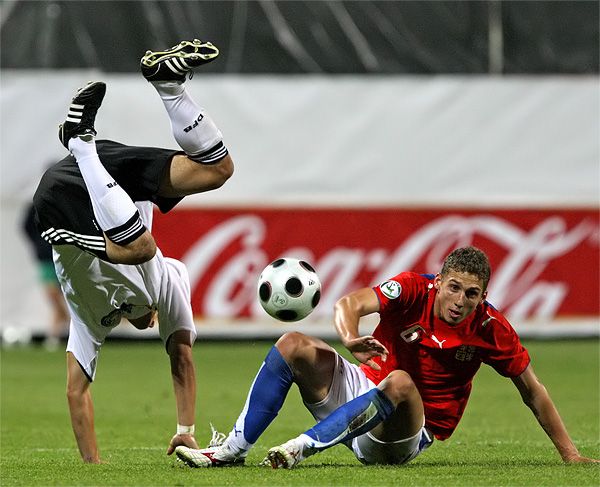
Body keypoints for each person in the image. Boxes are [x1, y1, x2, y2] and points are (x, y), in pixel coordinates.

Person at [174, 246, 599, 468]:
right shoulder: (413, 287)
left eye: (472, 294)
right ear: (439, 282)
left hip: (407, 430)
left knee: (399, 383)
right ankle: (230, 451)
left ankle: (299, 448)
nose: (460, 300)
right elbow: (348, 304)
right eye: (453, 287)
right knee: (293, 344)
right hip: (363, 389)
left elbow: (533, 391)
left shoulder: (491, 328)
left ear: (483, 296)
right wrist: (350, 337)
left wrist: (568, 453)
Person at [32, 39, 234, 463]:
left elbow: (76, 392)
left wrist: (96, 467)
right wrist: (187, 431)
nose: (150, 323)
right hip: (84, 182)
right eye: (155, 321)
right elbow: (181, 355)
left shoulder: (90, 321)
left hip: (64, 213)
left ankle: (168, 85)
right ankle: (82, 143)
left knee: (214, 172)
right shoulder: (168, 281)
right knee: (145, 244)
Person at [22, 201, 69, 349]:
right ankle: (61, 325)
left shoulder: (62, 204)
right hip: (46, 258)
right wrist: (39, 244)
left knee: (68, 296)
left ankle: (54, 335)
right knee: (53, 295)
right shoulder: (34, 206)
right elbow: (26, 226)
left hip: (63, 256)